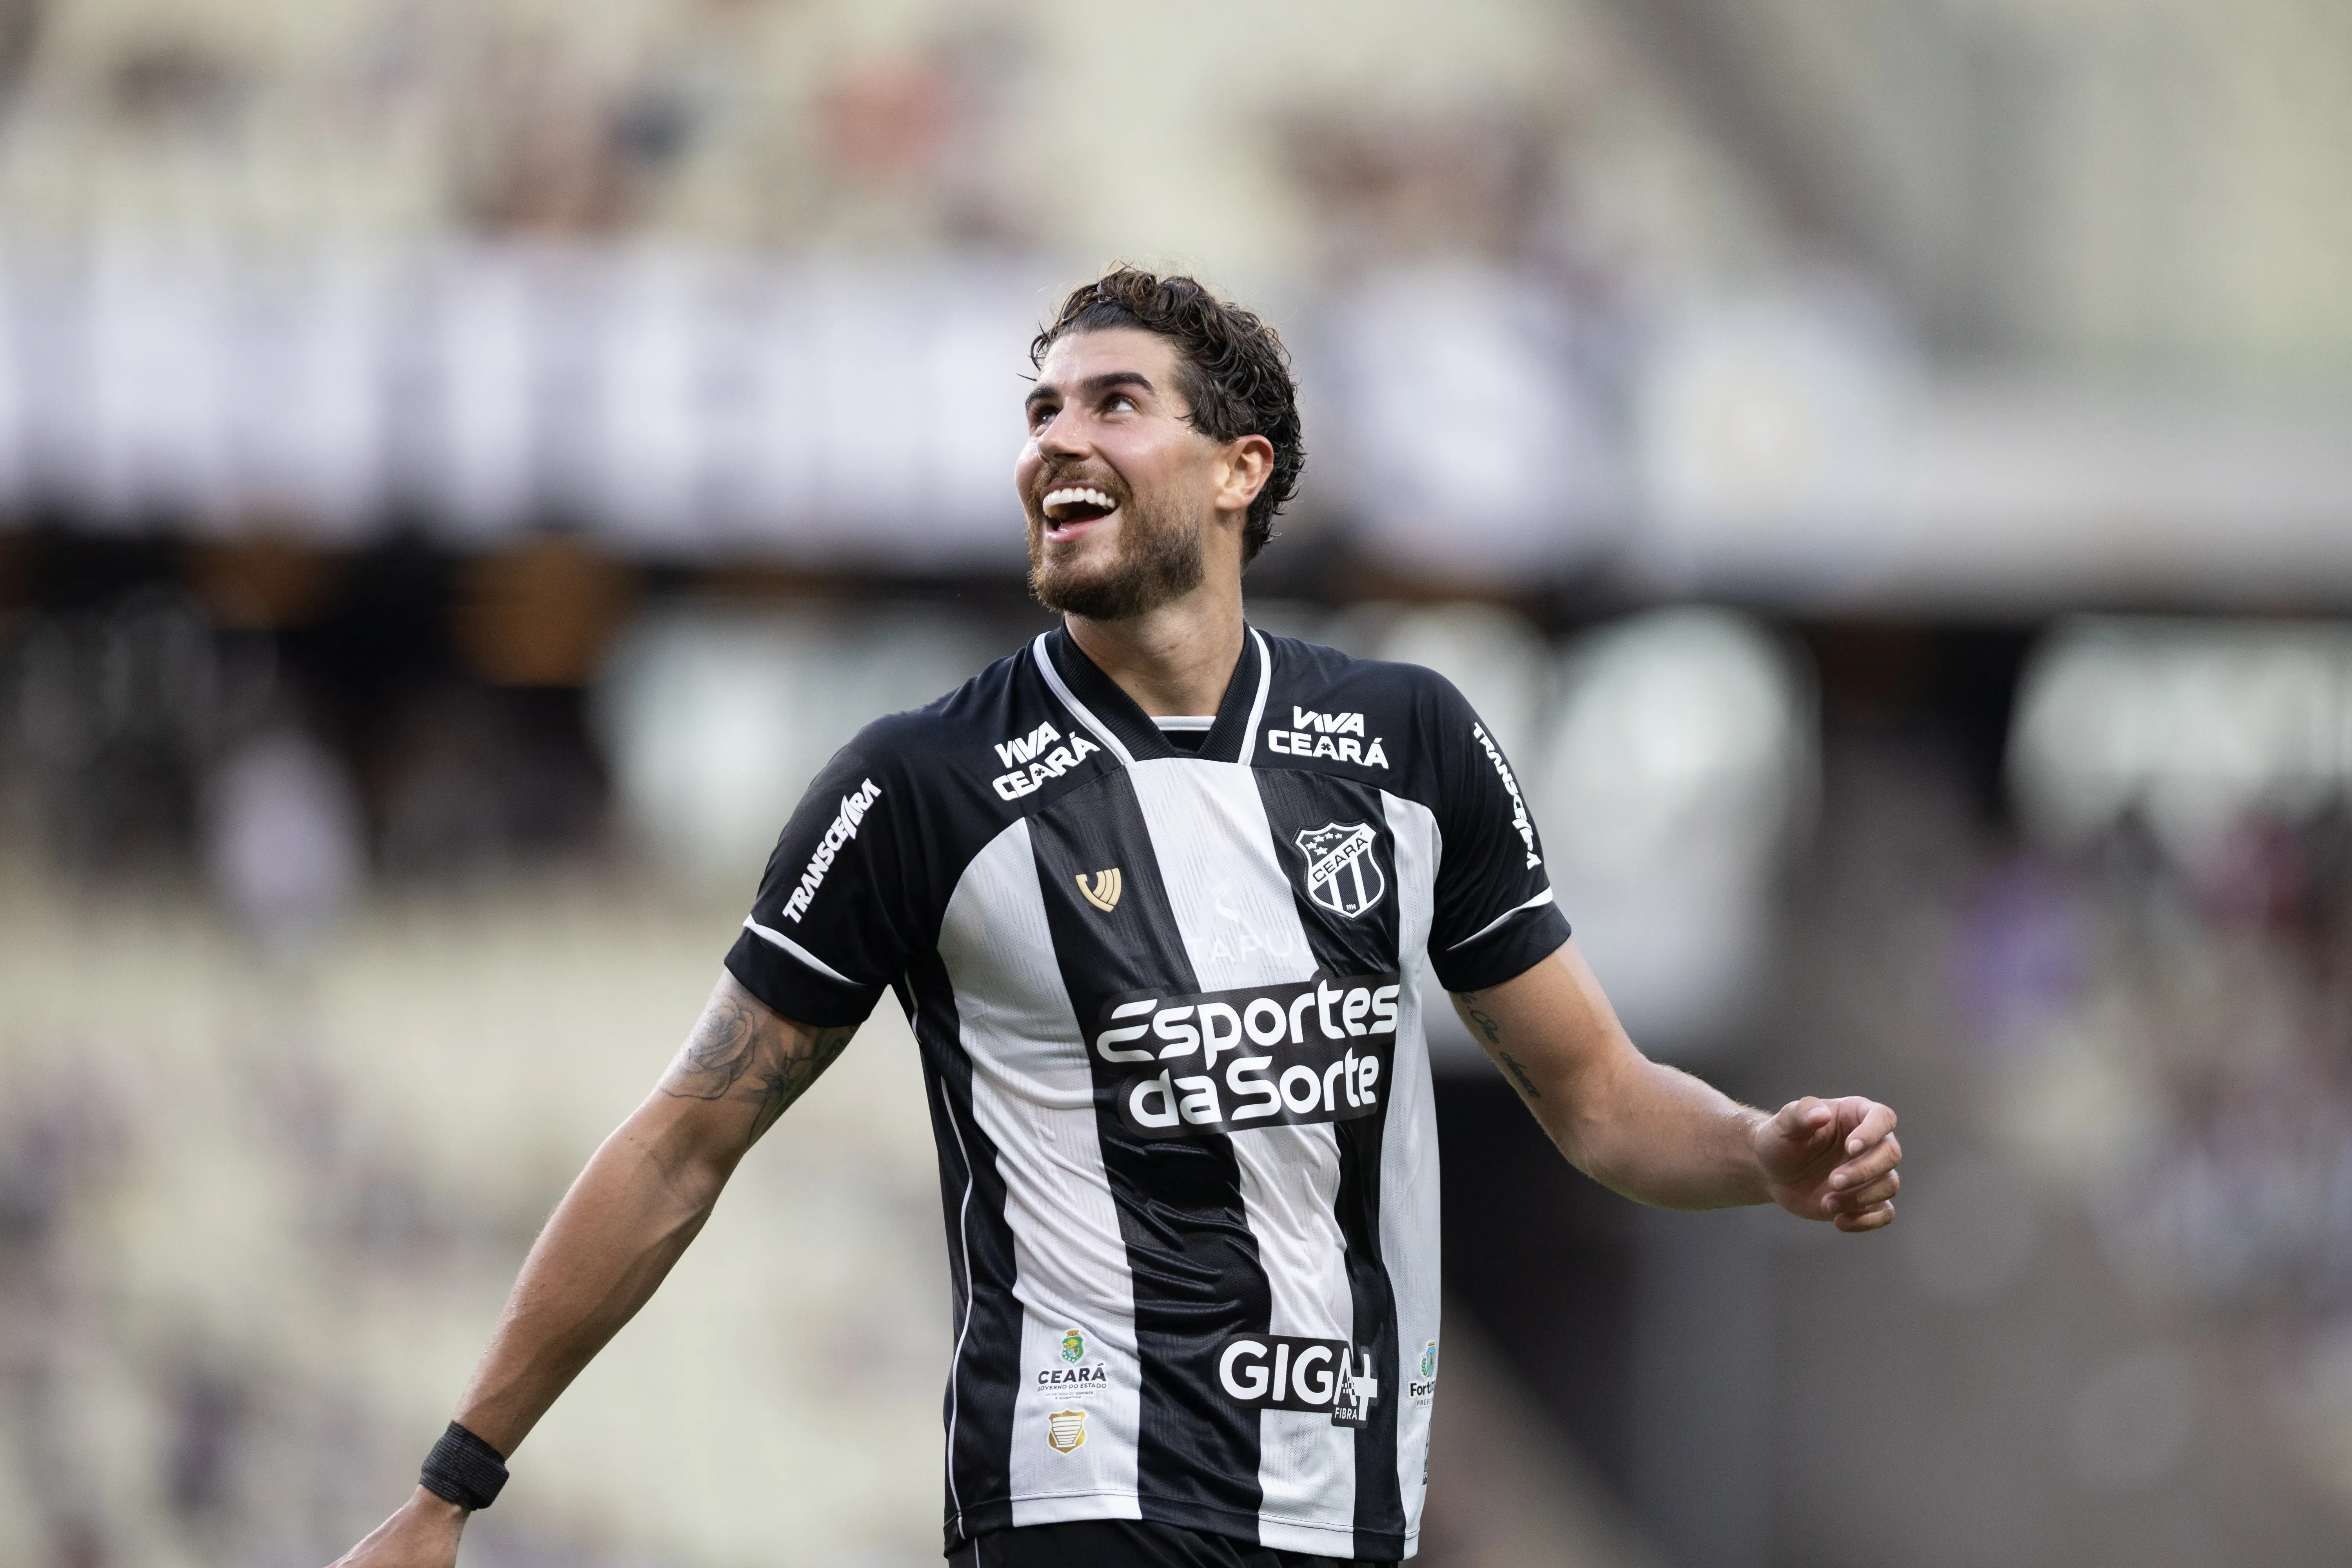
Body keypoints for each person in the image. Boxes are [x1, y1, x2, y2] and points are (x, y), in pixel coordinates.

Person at [330, 268, 1901, 1568]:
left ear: (1239, 470)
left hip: (1345, 1508)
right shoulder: (926, 785)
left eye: (1112, 404)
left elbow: (1599, 1098)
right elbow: (688, 1138)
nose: (1055, 442)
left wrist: (1758, 1152)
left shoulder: (1408, 744)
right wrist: (455, 1481)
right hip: (1079, 1500)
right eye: (1040, 412)